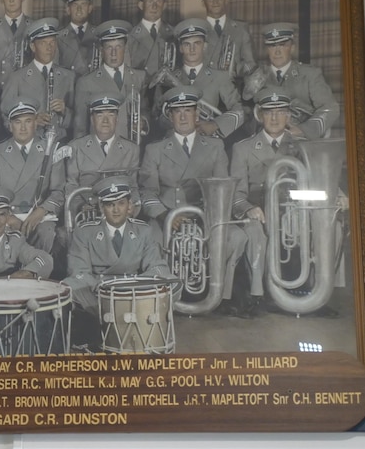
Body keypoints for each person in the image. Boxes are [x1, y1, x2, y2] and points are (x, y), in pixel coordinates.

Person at [138, 87, 246, 315]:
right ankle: (163, 295)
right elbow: (147, 192)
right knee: (149, 237)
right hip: (167, 215)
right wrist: (165, 215)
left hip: (202, 215)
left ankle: (219, 296)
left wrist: (207, 216)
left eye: (189, 110)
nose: (184, 116)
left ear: (197, 114)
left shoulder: (215, 147)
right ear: (170, 116)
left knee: (236, 236)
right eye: (178, 111)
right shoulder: (154, 149)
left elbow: (221, 189)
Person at [63, 176, 169, 327]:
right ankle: (101, 321)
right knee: (69, 287)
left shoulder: (144, 230)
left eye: (121, 203)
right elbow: (78, 271)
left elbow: (156, 267)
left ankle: (135, 317)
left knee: (169, 280)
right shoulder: (84, 232)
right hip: (98, 292)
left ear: (129, 206)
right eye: (110, 205)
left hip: (134, 291)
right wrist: (103, 288)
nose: (116, 210)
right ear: (101, 207)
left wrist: (132, 287)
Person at [229, 87, 298, 317]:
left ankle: (315, 293)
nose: (275, 118)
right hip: (258, 211)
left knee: (330, 227)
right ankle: (256, 296)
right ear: (260, 115)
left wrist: (337, 193)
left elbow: (316, 180)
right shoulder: (243, 148)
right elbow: (236, 194)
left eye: (281, 111)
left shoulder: (301, 145)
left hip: (293, 211)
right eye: (269, 112)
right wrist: (248, 209)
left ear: (289, 115)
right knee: (255, 230)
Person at [0, 97, 65, 254]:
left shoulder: (52, 149)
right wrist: (8, 217)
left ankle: (39, 274)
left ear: (36, 123)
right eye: (17, 122)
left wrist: (40, 211)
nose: (23, 128)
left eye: (28, 121)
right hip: (7, 216)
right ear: (10, 126)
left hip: (40, 216)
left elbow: (58, 192)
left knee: (46, 234)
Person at [246, 22, 340, 139]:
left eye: (283, 45)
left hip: (301, 142)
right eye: (272, 46)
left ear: (292, 48)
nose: (277, 52)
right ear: (267, 50)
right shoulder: (257, 76)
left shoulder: (309, 75)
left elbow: (330, 108)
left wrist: (304, 130)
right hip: (265, 143)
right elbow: (247, 112)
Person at [64, 91, 141, 227]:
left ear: (117, 118)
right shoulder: (76, 147)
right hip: (89, 213)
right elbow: (71, 186)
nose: (105, 121)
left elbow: (133, 186)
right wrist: (80, 206)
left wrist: (133, 205)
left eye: (111, 115)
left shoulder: (131, 149)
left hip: (120, 214)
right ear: (92, 119)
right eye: (100, 115)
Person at [166, 17, 245, 139]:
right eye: (187, 44)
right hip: (175, 140)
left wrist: (214, 125)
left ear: (205, 46)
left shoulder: (220, 76)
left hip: (208, 142)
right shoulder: (169, 78)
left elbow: (239, 111)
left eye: (197, 43)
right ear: (181, 48)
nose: (192, 49)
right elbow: (158, 116)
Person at [0, 17, 75, 140]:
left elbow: (79, 120)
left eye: (52, 42)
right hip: (29, 144)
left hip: (59, 142)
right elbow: (5, 118)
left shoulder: (69, 76)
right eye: (43, 43)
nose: (49, 48)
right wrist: (31, 122)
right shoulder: (16, 78)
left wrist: (65, 111)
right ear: (33, 47)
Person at [73, 20, 148, 142]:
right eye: (109, 47)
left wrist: (144, 121)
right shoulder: (86, 82)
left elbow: (145, 110)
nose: (114, 53)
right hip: (100, 154)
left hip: (132, 150)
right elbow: (80, 128)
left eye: (118, 47)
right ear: (101, 50)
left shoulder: (139, 77)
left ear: (125, 48)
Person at [195, 0, 255, 79]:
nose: (215, 2)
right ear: (202, 2)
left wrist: (234, 68)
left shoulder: (241, 29)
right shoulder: (196, 31)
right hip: (206, 91)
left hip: (233, 89)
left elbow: (251, 64)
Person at [128, 0, 176, 76]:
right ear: (141, 5)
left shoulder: (174, 34)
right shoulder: (129, 37)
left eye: (159, 2)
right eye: (150, 1)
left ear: (165, 5)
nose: (154, 7)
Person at [56, 0, 98, 77]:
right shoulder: (58, 38)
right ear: (68, 10)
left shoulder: (99, 34)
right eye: (75, 5)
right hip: (69, 89)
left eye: (83, 4)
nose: (79, 9)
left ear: (90, 8)